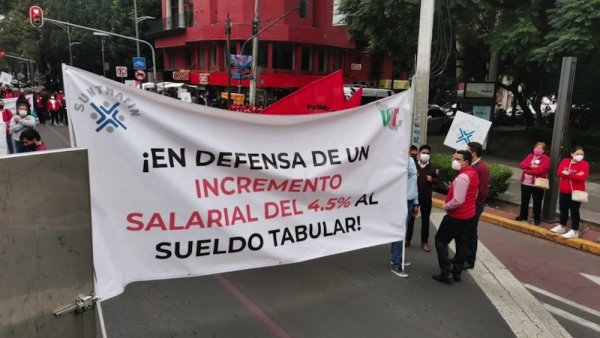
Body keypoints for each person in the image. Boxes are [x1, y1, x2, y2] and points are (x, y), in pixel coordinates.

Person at [432, 150, 479, 284]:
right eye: (454, 158)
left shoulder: (462, 177)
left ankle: (446, 272)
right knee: (462, 243)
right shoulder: (472, 173)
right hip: (469, 215)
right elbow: (473, 194)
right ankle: (456, 272)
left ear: (466, 162)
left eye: (458, 159)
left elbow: (458, 200)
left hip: (456, 216)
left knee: (440, 241)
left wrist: (446, 206)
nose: (454, 161)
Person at [390, 150, 419, 278]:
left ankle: (397, 257)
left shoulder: (410, 160)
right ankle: (396, 263)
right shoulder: (397, 161)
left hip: (410, 200)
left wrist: (416, 202)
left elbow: (414, 182)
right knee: (400, 232)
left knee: (401, 231)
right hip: (401, 200)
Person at [551, 146, 590, 239]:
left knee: (574, 211)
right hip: (564, 189)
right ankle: (562, 226)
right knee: (563, 208)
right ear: (572, 154)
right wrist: (574, 174)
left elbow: (582, 177)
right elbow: (559, 172)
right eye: (577, 154)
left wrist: (568, 174)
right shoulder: (565, 161)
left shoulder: (584, 164)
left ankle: (574, 231)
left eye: (582, 154)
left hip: (576, 192)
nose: (580, 156)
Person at [406, 144, 439, 252]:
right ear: (419, 154)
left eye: (427, 153)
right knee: (410, 218)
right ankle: (407, 240)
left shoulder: (432, 167)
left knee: (425, 220)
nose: (425, 155)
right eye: (423, 153)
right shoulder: (413, 165)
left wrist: (432, 179)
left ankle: (424, 242)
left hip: (426, 197)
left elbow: (438, 179)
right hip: (414, 196)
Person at [463, 142, 490, 270]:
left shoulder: (482, 168)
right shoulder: (471, 166)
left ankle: (469, 260)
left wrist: (476, 204)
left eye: (467, 150)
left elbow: (483, 190)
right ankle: (462, 257)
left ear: (473, 153)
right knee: (464, 232)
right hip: (467, 204)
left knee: (471, 232)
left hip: (474, 206)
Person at [516, 142, 551, 225]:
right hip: (525, 182)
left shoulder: (546, 159)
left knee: (537, 202)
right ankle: (523, 216)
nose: (537, 149)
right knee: (524, 200)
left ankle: (536, 218)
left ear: (544, 150)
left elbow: (541, 170)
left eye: (539, 148)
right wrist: (531, 166)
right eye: (536, 147)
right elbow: (522, 164)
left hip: (537, 184)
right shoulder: (530, 156)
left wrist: (527, 170)